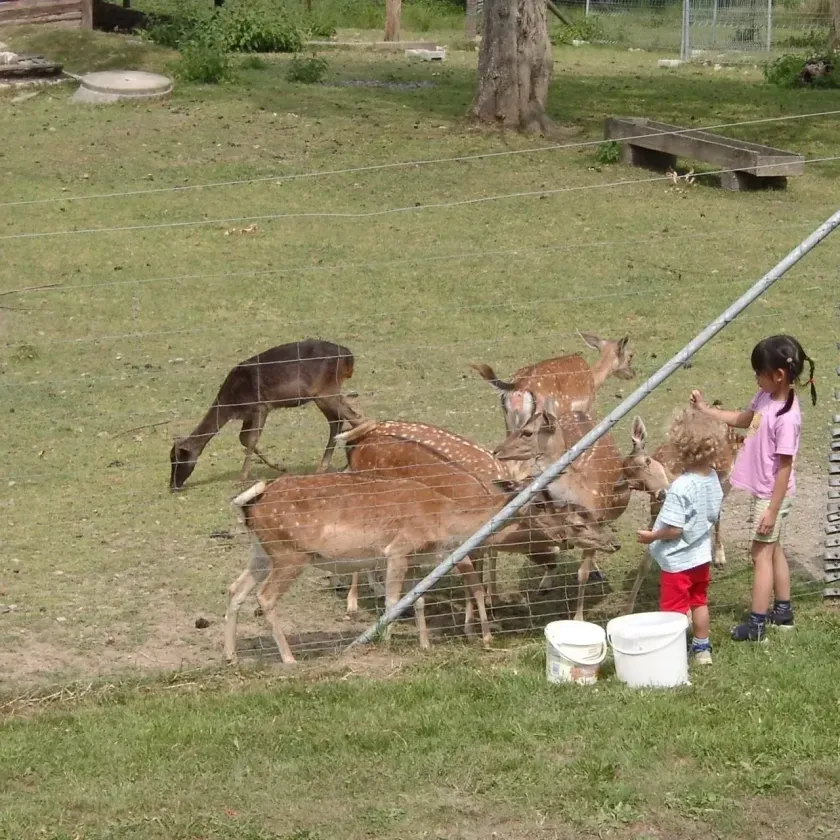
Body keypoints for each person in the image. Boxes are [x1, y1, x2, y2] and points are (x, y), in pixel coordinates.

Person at [690, 334, 817, 642]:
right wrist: (707, 410)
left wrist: (772, 510)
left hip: (772, 496)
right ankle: (783, 612)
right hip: (766, 493)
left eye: (759, 373)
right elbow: (744, 418)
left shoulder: (787, 418)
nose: (756, 378)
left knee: (759, 556)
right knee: (773, 550)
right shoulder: (765, 397)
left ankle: (757, 624)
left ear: (778, 375)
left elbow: (785, 467)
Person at [637, 409, 726, 665]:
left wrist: (652, 536)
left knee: (673, 610)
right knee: (699, 602)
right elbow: (713, 513)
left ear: (681, 450)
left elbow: (675, 529)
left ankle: (672, 656)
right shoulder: (713, 478)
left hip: (679, 562)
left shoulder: (681, 487)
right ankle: (702, 648)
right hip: (701, 556)